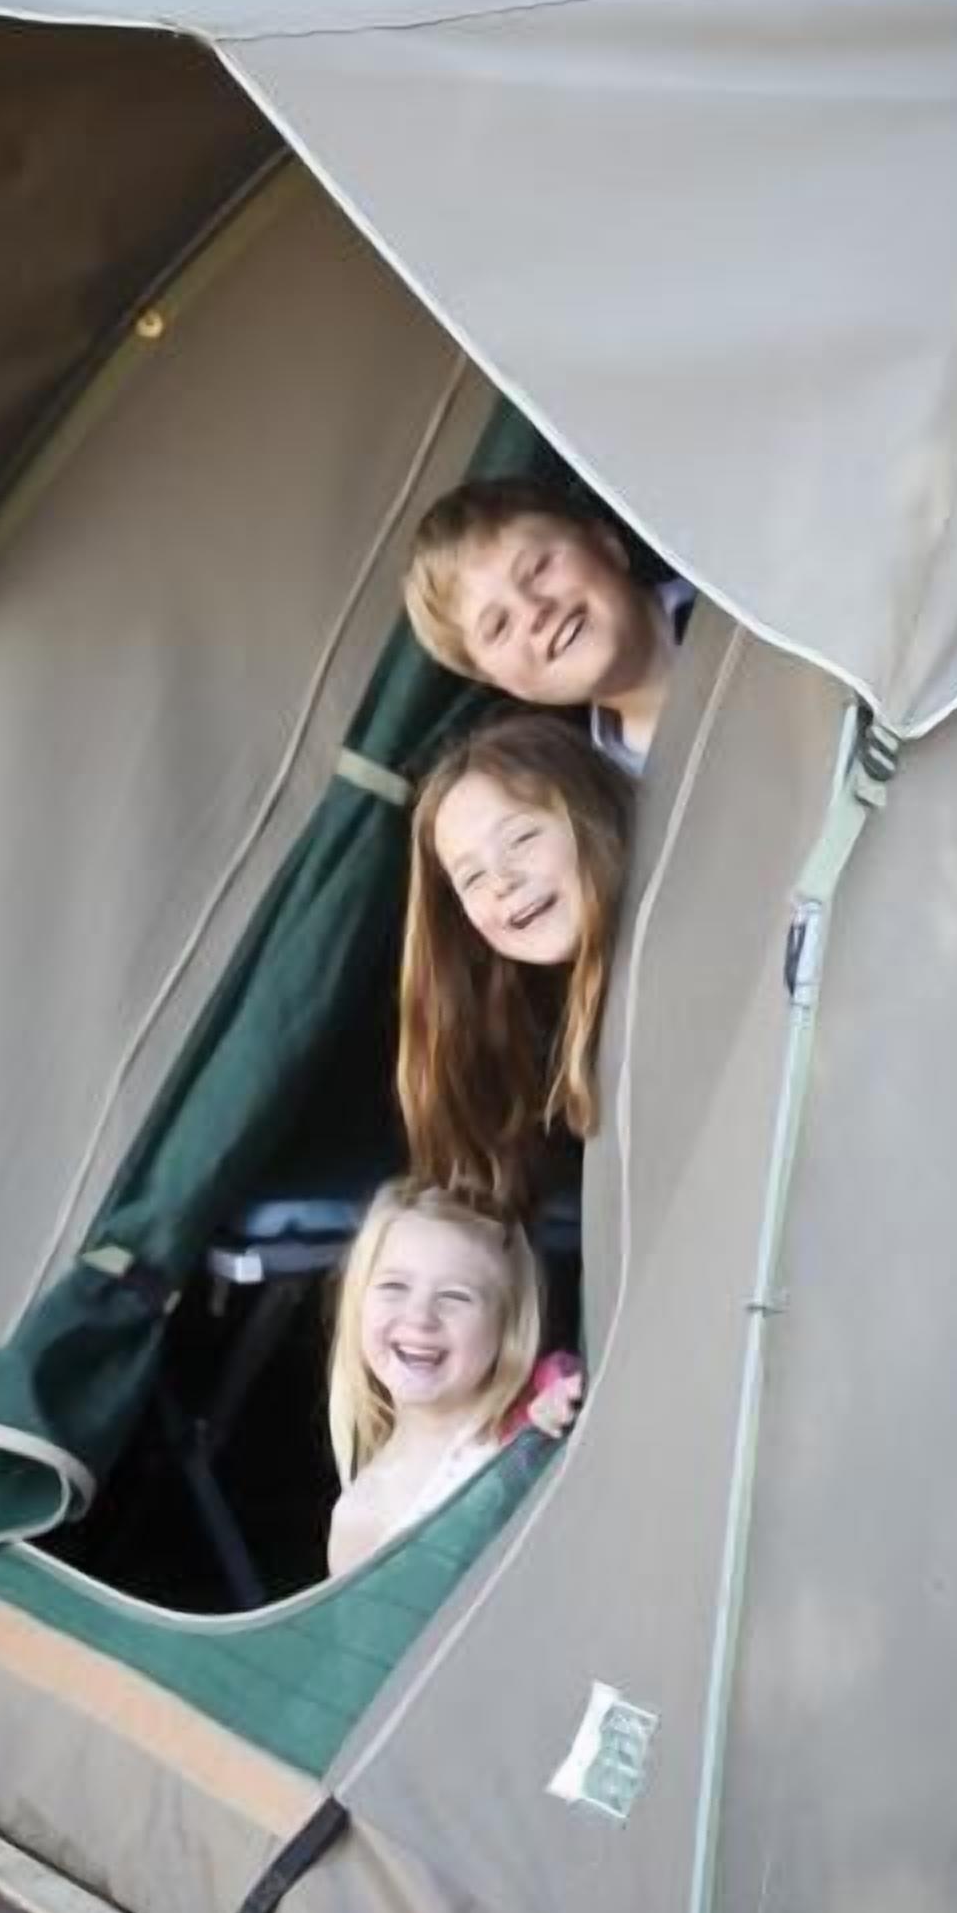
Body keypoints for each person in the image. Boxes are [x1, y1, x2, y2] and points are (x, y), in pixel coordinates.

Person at [398, 713, 632, 1209]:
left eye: (522, 838)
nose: (502, 880)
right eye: (472, 878)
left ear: (594, 814)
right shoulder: (527, 1036)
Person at [326, 1180, 580, 1577]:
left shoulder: (526, 1419)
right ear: (357, 1303)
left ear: (506, 1327)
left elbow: (565, 1386)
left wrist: (556, 1411)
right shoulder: (361, 1515)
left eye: (455, 1297)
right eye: (394, 1286)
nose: (420, 1317)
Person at [403, 477, 692, 776]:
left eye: (538, 568)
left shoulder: (730, 591)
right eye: (499, 626)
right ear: (502, 683)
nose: (534, 611)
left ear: (607, 544)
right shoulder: (611, 797)